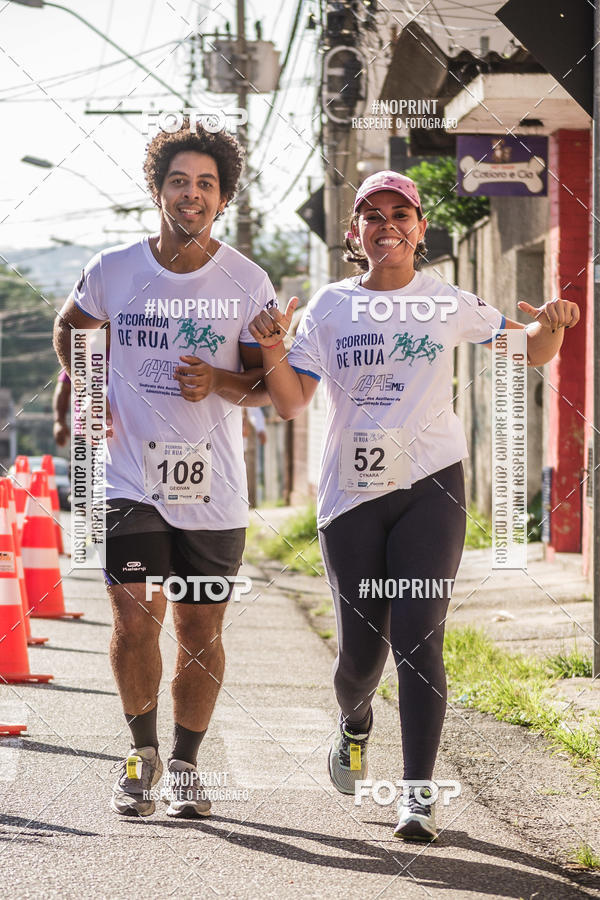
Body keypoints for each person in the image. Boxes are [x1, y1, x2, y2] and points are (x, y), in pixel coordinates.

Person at [249, 170, 579, 842]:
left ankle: (419, 795)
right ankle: (355, 723)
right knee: (358, 660)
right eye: (373, 215)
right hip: (351, 495)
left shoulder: (448, 301)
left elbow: (531, 351)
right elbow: (290, 401)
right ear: (355, 234)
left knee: (418, 639)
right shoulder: (330, 308)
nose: (388, 225)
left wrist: (554, 329)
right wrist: (273, 348)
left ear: (421, 229)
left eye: (402, 213)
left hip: (431, 484)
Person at [53, 120, 275, 818]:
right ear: (157, 190)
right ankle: (141, 755)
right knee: (132, 616)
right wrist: (89, 394)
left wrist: (219, 382)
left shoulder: (247, 280)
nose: (191, 193)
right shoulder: (114, 268)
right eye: (178, 180)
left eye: (205, 183)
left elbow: (268, 385)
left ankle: (185, 764)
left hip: (214, 490)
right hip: (128, 481)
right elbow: (71, 328)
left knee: (200, 631)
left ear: (222, 197)